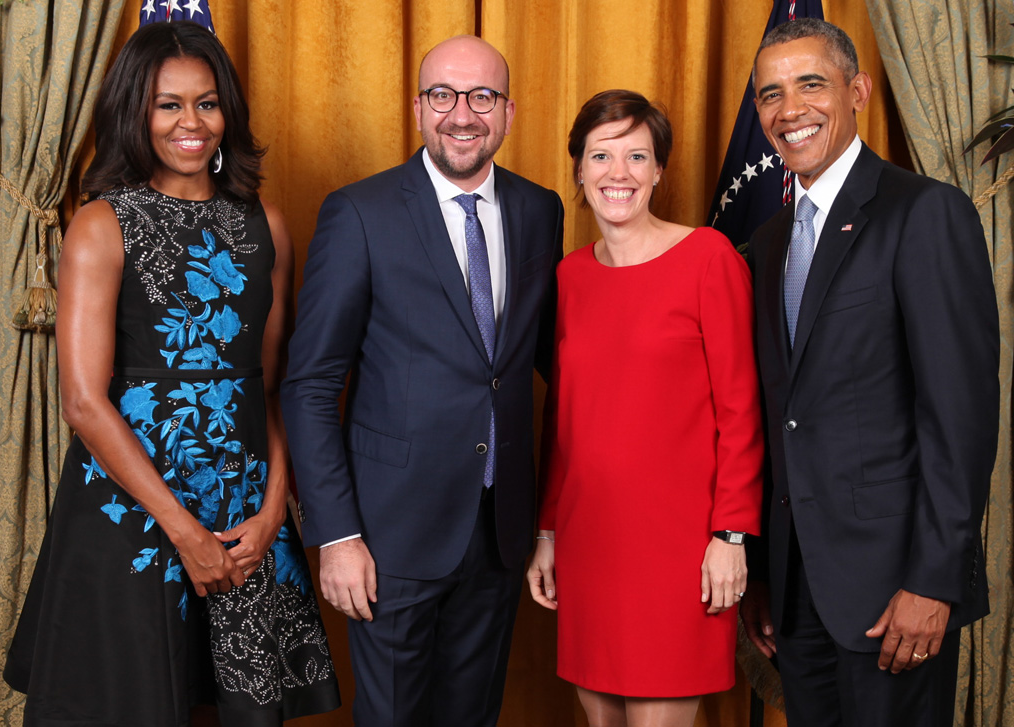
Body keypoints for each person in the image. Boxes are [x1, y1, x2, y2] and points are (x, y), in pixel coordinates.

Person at [4, 22, 340, 726]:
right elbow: (82, 401)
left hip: (246, 515)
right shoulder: (100, 224)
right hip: (135, 510)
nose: (193, 122)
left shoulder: (267, 226)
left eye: (207, 102)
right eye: (168, 104)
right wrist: (184, 531)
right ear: (135, 111)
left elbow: (273, 384)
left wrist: (276, 507)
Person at [280, 35, 564, 726]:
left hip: (499, 530)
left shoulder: (539, 210)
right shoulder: (361, 213)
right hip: (389, 536)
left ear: (508, 111)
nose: (461, 114)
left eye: (481, 97)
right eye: (442, 95)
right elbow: (311, 382)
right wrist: (337, 534)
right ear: (417, 108)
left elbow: (553, 361)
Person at [742, 18, 999, 727]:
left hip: (896, 591)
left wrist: (934, 580)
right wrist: (766, 573)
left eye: (810, 84)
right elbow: (779, 417)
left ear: (856, 91)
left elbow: (961, 415)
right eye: (770, 94)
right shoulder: (764, 244)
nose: (789, 110)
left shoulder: (923, 212)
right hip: (798, 597)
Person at [526, 89, 764, 727]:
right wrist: (547, 531)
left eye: (637, 156)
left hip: (681, 548)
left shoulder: (709, 258)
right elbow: (563, 420)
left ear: (660, 169)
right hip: (588, 539)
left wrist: (731, 534)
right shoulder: (570, 276)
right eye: (602, 156)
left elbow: (742, 411)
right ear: (578, 169)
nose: (619, 173)